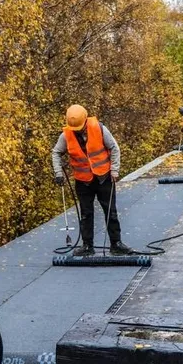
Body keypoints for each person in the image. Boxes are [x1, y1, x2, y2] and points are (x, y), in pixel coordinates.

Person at [52, 105, 134, 257]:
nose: (76, 130)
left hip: (104, 178)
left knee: (111, 212)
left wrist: (115, 170)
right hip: (83, 181)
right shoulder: (66, 135)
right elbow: (56, 152)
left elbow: (114, 148)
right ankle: (87, 246)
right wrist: (58, 173)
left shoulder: (100, 128)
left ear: (85, 120)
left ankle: (116, 244)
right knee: (86, 214)